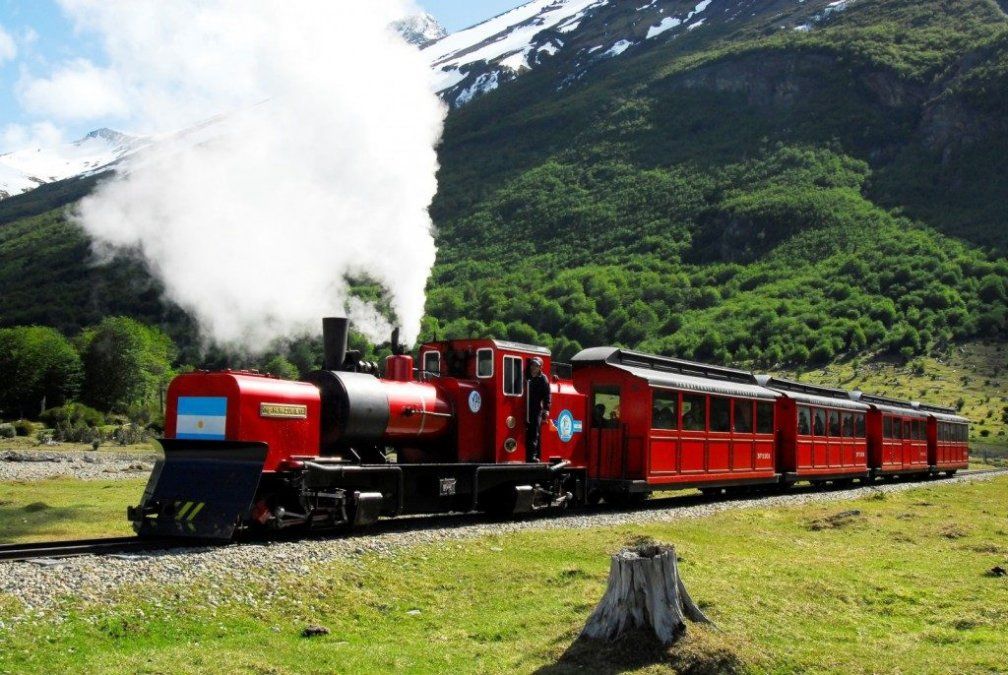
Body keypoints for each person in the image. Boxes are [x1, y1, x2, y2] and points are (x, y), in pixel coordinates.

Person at [526, 356, 551, 462]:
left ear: (540, 367)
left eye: (536, 365)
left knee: (534, 431)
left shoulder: (543, 379)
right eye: (532, 365)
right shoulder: (526, 376)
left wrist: (546, 409)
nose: (533, 367)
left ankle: (533, 455)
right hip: (525, 407)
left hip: (536, 408)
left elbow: (547, 395)